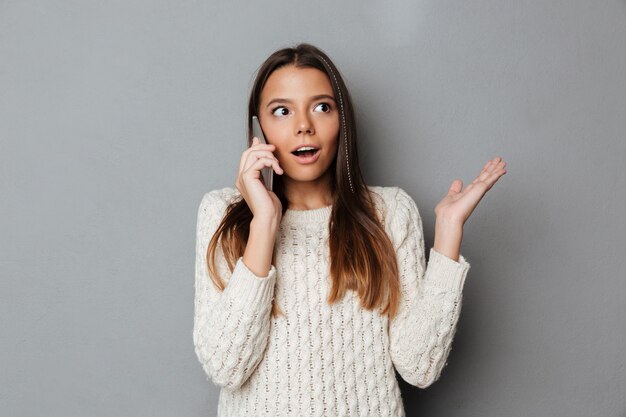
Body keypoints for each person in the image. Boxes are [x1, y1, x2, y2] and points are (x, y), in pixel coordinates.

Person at [193, 43, 507, 417]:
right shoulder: (223, 215)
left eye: (322, 107)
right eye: (282, 111)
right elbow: (225, 366)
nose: (303, 125)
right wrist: (264, 221)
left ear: (342, 119)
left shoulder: (389, 213)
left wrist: (448, 233)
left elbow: (419, 366)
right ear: (259, 129)